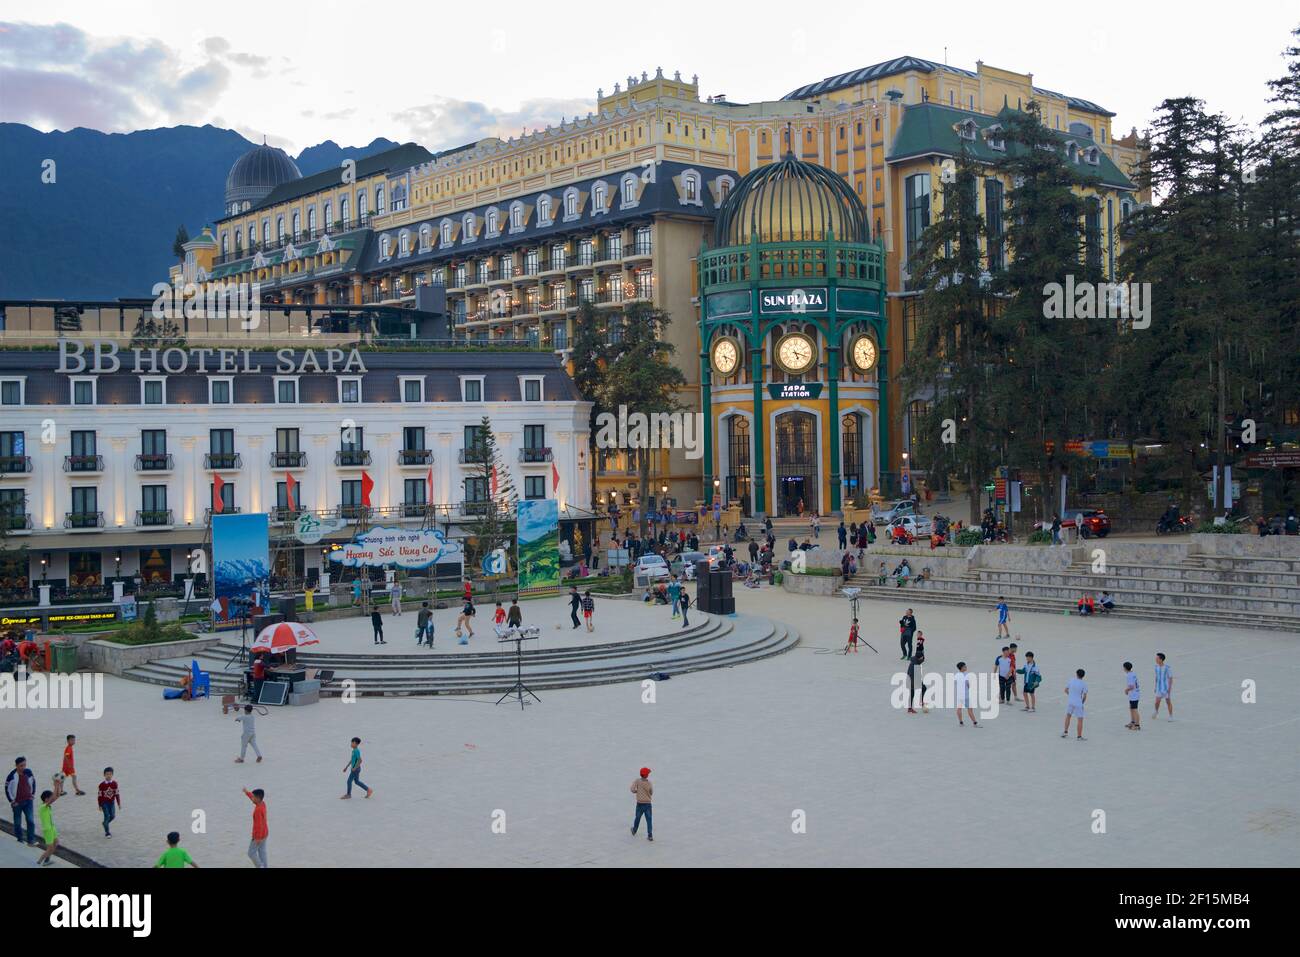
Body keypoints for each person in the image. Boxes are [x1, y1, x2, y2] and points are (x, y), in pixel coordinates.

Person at [6, 756, 37, 846]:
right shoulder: (11, 776)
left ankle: (31, 840)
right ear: (16, 766)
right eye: (21, 766)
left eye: (24, 765)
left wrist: (32, 794)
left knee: (30, 820)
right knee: (18, 823)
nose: (23, 767)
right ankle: (20, 839)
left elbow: (33, 782)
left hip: (28, 801)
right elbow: (7, 789)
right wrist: (12, 801)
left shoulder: (28, 772)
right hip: (17, 803)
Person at [243, 787, 268, 868]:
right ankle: (265, 866)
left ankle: (260, 866)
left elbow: (259, 825)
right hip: (265, 833)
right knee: (262, 852)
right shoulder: (262, 803)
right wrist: (247, 793)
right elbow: (252, 798)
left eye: (254, 797)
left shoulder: (258, 810)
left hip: (259, 835)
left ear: (258, 798)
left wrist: (257, 838)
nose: (252, 798)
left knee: (251, 853)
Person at [36, 789, 61, 866]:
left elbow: (57, 796)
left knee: (56, 843)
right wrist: (56, 786)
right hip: (47, 829)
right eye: (51, 798)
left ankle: (47, 859)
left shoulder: (47, 806)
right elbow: (54, 798)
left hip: (52, 828)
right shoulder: (43, 807)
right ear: (46, 799)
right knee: (50, 848)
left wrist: (58, 785)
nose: (53, 800)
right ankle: (39, 861)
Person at [1063, 668, 1088, 740]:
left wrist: (1070, 696)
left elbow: (1065, 690)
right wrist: (1082, 703)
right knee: (1080, 719)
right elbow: (1085, 696)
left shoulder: (1071, 680)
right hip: (1078, 703)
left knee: (1068, 716)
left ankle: (1065, 732)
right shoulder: (1084, 684)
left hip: (1070, 701)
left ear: (1076, 674)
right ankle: (1079, 736)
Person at [630, 767, 653, 842]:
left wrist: (637, 792)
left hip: (639, 804)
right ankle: (650, 835)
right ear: (647, 775)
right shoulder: (649, 783)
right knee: (649, 820)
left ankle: (634, 830)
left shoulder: (637, 781)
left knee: (637, 817)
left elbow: (632, 789)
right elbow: (651, 792)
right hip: (647, 804)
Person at [97, 767, 121, 839]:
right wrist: (100, 805)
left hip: (112, 802)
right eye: (107, 774)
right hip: (104, 803)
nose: (109, 776)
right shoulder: (101, 785)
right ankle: (107, 832)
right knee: (107, 816)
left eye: (110, 774)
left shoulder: (114, 784)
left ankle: (105, 823)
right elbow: (99, 796)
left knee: (113, 816)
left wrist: (119, 803)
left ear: (112, 775)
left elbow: (117, 794)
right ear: (104, 775)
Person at [954, 662, 979, 727]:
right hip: (966, 695)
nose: (966, 667)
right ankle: (974, 723)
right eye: (965, 666)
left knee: (959, 708)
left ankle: (961, 722)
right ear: (962, 668)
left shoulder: (956, 675)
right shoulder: (966, 675)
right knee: (970, 709)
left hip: (959, 695)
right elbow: (968, 685)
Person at [1153, 652, 1174, 720]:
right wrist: (1155, 687)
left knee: (1168, 702)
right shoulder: (1156, 667)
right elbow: (1156, 677)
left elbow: (1170, 678)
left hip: (1165, 688)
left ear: (1161, 659)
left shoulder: (1167, 668)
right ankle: (1156, 711)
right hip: (1159, 688)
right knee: (1157, 701)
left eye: (1157, 658)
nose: (1156, 659)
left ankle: (1171, 716)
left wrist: (1169, 688)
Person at [1123, 661, 1142, 731]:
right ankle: (1132, 722)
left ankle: (1137, 725)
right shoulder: (1133, 673)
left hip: (1134, 695)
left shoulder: (1129, 675)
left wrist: (1126, 690)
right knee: (1131, 708)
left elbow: (1132, 686)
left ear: (1125, 668)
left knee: (1135, 709)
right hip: (1134, 694)